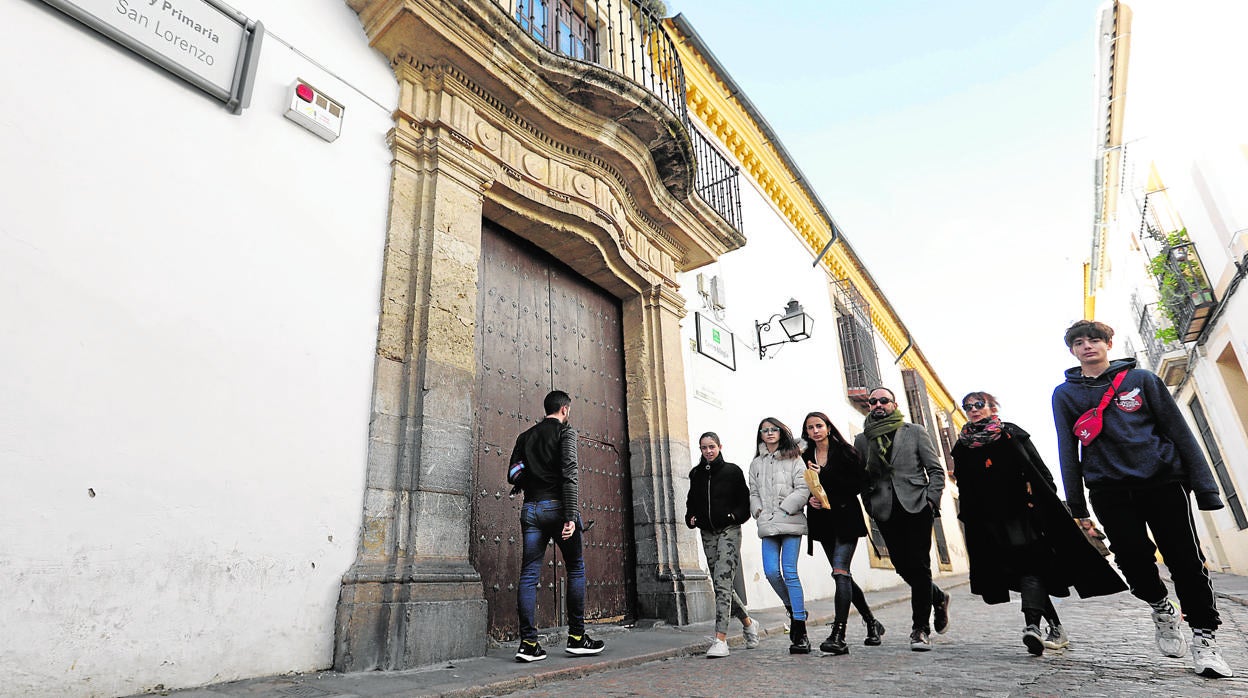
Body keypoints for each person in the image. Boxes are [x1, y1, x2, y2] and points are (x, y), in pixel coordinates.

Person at [1053, 320, 1232, 678]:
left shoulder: (1142, 380)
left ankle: (1205, 637)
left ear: (1108, 344)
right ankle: (1161, 607)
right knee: (1132, 559)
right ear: (1072, 350)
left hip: (1163, 481)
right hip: (1108, 488)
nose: (1087, 346)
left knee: (1185, 560)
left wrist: (1205, 487)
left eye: (1094, 340)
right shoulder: (1065, 394)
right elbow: (1066, 447)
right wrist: (1076, 504)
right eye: (1079, 342)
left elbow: (1178, 430)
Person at [953, 391, 1126, 656]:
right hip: (989, 520)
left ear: (991, 407)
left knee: (1028, 565)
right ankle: (1055, 627)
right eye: (968, 406)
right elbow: (965, 485)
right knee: (1021, 570)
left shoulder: (1010, 434)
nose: (973, 409)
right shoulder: (963, 445)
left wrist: (1043, 504)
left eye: (978, 404)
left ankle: (1032, 626)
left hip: (1024, 514)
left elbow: (1040, 471)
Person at [509, 390, 605, 662]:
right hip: (558, 509)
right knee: (575, 568)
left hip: (531, 509)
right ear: (565, 409)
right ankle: (577, 638)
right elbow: (570, 474)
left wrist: (533, 479)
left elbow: (513, 474)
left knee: (529, 575)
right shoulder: (566, 432)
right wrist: (571, 516)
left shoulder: (525, 436)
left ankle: (528, 644)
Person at [855, 387, 950, 652]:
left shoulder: (914, 431)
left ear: (894, 404)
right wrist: (869, 504)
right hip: (885, 510)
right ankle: (938, 597)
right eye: (873, 401)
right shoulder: (862, 439)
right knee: (902, 566)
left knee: (919, 566)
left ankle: (920, 629)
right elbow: (862, 477)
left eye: (883, 400)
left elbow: (935, 470)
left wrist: (931, 500)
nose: (878, 404)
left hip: (917, 505)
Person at [801, 411, 886, 654]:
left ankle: (838, 635)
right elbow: (802, 485)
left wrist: (824, 474)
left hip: (846, 519)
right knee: (843, 575)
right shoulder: (805, 456)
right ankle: (872, 622)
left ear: (828, 428)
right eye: (810, 428)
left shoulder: (846, 452)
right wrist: (809, 500)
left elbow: (858, 484)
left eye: (819, 426)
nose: (815, 431)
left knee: (840, 572)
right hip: (824, 522)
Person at [685, 432, 761, 658]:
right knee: (721, 585)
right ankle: (749, 624)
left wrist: (733, 517)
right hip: (707, 533)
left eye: (712, 447)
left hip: (729, 531)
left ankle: (720, 639)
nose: (708, 451)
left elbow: (744, 502)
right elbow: (691, 501)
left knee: (722, 582)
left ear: (720, 446)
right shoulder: (696, 474)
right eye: (704, 448)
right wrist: (691, 517)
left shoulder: (732, 471)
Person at [748, 417, 812, 654]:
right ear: (760, 435)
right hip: (768, 523)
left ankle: (800, 630)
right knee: (771, 572)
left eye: (774, 429)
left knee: (790, 572)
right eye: (764, 430)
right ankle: (793, 608)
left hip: (791, 520)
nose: (769, 433)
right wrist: (758, 510)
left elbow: (803, 488)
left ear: (781, 432)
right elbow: (753, 491)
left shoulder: (794, 458)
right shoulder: (756, 463)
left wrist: (785, 509)